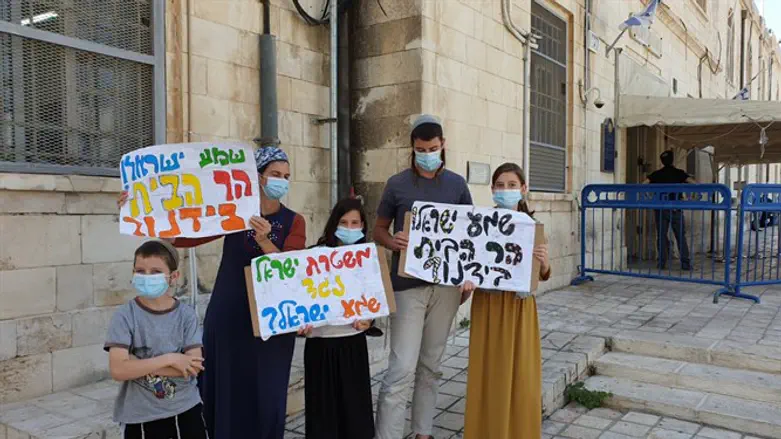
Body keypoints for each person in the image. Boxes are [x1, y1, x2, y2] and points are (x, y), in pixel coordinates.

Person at [118, 146, 308, 439]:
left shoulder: (295, 221)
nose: (281, 181)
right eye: (274, 174)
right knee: (227, 384)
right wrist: (137, 210)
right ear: (257, 177)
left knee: (267, 390)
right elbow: (184, 236)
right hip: (230, 312)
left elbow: (291, 268)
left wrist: (265, 240)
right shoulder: (235, 210)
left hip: (272, 317)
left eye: (286, 176)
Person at [373, 114, 475, 439]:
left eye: (432, 148)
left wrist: (468, 277)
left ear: (443, 145)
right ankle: (387, 435)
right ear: (412, 148)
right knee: (401, 367)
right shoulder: (397, 184)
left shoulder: (458, 185)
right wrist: (393, 241)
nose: (427, 154)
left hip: (446, 288)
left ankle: (423, 432)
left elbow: (470, 235)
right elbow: (378, 229)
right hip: (406, 287)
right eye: (421, 149)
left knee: (431, 365)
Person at [463, 162, 551, 439]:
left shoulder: (532, 227)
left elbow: (544, 274)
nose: (505, 190)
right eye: (500, 185)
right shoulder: (479, 226)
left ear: (523, 189)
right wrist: (465, 283)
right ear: (492, 190)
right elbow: (468, 266)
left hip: (519, 308)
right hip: (487, 305)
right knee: (487, 373)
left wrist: (545, 262)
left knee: (521, 376)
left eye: (512, 185)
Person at [104, 240, 208, 439]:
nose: (146, 277)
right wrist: (171, 359)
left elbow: (193, 366)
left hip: (186, 408)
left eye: (155, 272)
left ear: (173, 276)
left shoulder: (186, 316)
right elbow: (118, 370)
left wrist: (136, 364)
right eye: (140, 271)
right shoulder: (125, 316)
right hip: (140, 415)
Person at [304, 197, 375, 439]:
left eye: (356, 222)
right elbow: (299, 297)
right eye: (344, 222)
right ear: (334, 224)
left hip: (352, 344)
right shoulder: (314, 256)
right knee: (322, 415)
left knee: (355, 414)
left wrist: (369, 321)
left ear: (363, 226)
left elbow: (375, 302)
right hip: (320, 346)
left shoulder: (369, 259)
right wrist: (298, 324)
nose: (350, 227)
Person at [645, 149, 694, 270]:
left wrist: (650, 196)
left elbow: (643, 184)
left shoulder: (656, 174)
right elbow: (693, 183)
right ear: (672, 160)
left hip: (660, 208)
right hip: (675, 208)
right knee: (680, 236)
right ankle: (685, 264)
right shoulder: (679, 173)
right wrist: (690, 195)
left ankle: (661, 263)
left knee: (661, 236)